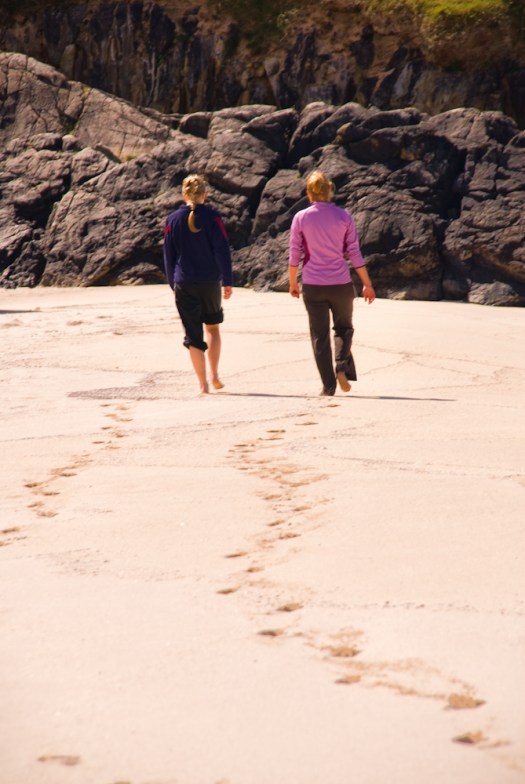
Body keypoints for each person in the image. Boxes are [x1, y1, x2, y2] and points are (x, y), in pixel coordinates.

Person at [288, 169, 375, 396]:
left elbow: (295, 253)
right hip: (341, 285)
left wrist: (293, 283)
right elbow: (354, 253)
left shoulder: (301, 218)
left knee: (320, 336)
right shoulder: (344, 216)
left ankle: (328, 387)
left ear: (309, 193)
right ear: (330, 192)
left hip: (313, 285)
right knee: (343, 329)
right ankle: (341, 366)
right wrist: (367, 284)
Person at [164, 174, 233, 394]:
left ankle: (203, 385)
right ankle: (214, 375)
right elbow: (222, 250)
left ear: (184, 194)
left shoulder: (172, 220)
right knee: (212, 327)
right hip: (210, 281)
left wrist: (172, 282)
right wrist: (228, 280)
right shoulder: (213, 218)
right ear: (204, 194)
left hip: (184, 282)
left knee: (193, 335)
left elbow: (168, 254)